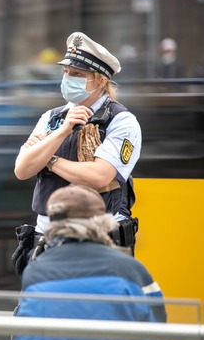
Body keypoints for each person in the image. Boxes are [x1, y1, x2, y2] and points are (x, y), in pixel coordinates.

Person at [12, 31, 141, 276]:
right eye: (66, 72)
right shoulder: (52, 118)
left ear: (100, 81)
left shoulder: (122, 121)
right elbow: (22, 169)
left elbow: (99, 176)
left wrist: (48, 159)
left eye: (78, 74)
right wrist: (62, 131)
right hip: (46, 241)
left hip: (98, 241)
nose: (68, 78)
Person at [11, 184, 167, 340]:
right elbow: (156, 330)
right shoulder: (131, 270)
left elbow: (22, 336)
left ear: (52, 226)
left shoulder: (36, 271)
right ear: (103, 222)